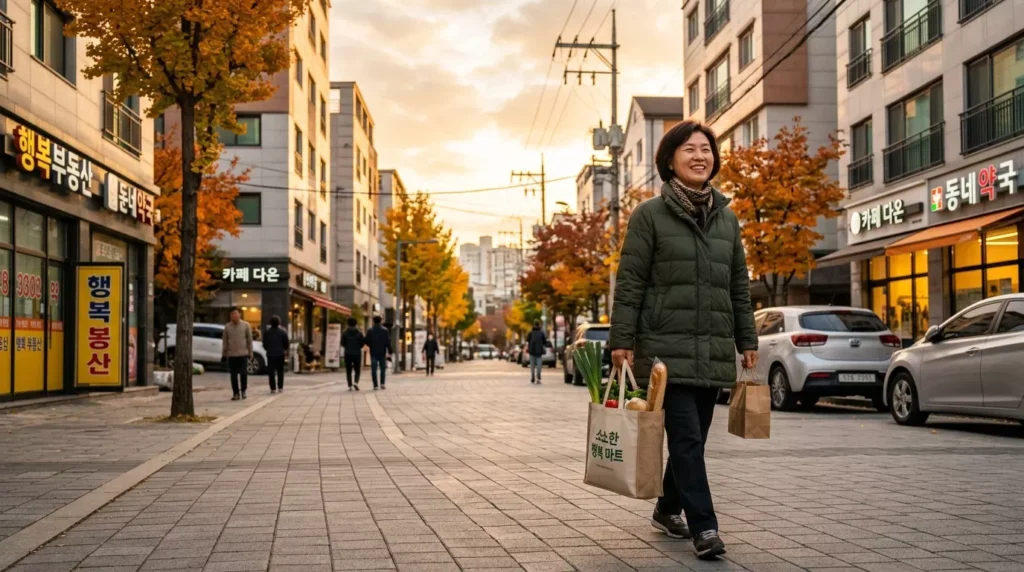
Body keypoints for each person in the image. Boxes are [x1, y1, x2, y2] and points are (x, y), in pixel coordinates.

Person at [608, 121, 758, 560]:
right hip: (664, 354)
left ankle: (667, 507)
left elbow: (738, 286)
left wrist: (746, 338)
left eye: (706, 149)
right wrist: (622, 340)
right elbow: (631, 282)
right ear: (670, 159)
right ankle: (705, 528)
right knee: (687, 441)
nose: (700, 156)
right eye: (689, 149)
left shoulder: (727, 219)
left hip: (710, 350)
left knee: (693, 442)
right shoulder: (649, 215)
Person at [222, 308, 253, 401]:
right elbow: (225, 341)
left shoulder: (246, 325)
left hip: (243, 353)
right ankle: (235, 393)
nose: (233, 316)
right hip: (232, 354)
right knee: (233, 375)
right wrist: (224, 353)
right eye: (232, 314)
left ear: (240, 314)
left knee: (244, 373)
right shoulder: (227, 327)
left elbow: (249, 340)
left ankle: (243, 391)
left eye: (235, 314)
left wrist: (250, 352)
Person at [263, 315, 289, 394]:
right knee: (280, 371)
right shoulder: (283, 332)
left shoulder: (267, 332)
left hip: (270, 354)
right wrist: (283, 349)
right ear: (279, 323)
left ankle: (273, 388)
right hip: (280, 354)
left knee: (271, 372)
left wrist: (268, 349)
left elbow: (264, 344)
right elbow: (286, 344)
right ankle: (280, 387)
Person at [365, 316, 392, 390]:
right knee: (383, 369)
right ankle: (382, 383)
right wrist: (390, 351)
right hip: (382, 352)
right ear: (381, 321)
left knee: (374, 369)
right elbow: (388, 342)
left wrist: (371, 345)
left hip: (373, 352)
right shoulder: (385, 330)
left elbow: (366, 341)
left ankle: (375, 385)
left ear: (373, 321)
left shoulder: (370, 330)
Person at [341, 318, 365, 391]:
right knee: (357, 369)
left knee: (348, 370)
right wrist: (358, 347)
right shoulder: (359, 333)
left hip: (348, 353)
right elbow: (362, 343)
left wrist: (347, 347)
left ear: (348, 324)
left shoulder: (344, 333)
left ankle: (350, 385)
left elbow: (342, 343)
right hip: (357, 353)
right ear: (356, 324)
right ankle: (356, 382)